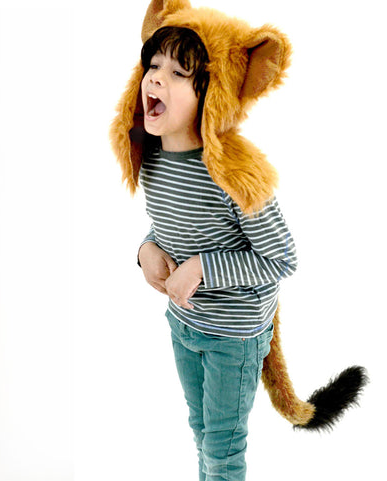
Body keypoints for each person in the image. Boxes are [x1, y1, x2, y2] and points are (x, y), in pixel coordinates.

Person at [133, 26, 297, 480]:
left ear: (214, 91)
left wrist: (203, 267)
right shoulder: (152, 159)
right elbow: (175, 222)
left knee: (223, 451)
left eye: (179, 71)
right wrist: (146, 248)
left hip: (233, 336)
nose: (156, 79)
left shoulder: (235, 174)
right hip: (183, 322)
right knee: (202, 431)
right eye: (153, 66)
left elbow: (281, 258)